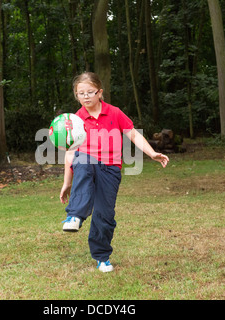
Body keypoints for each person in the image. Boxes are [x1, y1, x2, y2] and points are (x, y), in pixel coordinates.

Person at [59, 72, 169, 272]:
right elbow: (71, 152)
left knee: (104, 214)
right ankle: (75, 215)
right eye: (80, 93)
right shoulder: (75, 119)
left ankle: (102, 257)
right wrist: (67, 182)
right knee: (82, 160)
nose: (85, 96)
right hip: (85, 163)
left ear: (100, 92)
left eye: (90, 92)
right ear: (76, 95)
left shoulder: (115, 113)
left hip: (110, 169)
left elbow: (133, 134)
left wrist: (152, 153)